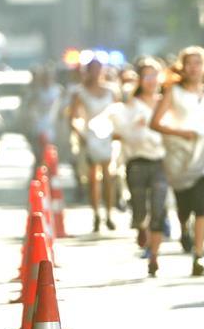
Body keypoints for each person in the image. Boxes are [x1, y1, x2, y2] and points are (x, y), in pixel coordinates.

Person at [149, 46, 204, 276]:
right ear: (183, 66)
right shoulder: (173, 92)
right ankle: (184, 228)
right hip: (180, 155)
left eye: (198, 63)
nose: (194, 68)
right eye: (189, 63)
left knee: (202, 203)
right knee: (184, 206)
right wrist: (181, 133)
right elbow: (155, 123)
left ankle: (198, 255)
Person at [109, 58, 167, 276]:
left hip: (161, 161)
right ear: (140, 80)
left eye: (155, 76)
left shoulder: (165, 103)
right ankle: (141, 226)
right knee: (141, 208)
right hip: (137, 163)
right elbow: (119, 131)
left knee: (159, 209)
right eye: (147, 76)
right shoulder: (130, 105)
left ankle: (155, 255)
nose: (151, 81)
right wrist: (134, 127)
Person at [68, 59, 119, 232]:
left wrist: (117, 132)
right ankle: (96, 213)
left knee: (108, 177)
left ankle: (109, 213)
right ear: (88, 71)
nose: (97, 72)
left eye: (99, 69)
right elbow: (73, 117)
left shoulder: (111, 91)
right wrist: (80, 134)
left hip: (108, 136)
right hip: (90, 136)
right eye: (93, 69)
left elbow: (118, 113)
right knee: (92, 178)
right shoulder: (80, 92)